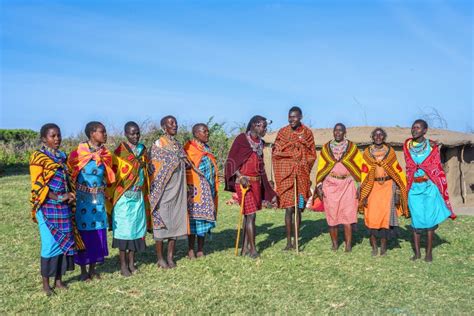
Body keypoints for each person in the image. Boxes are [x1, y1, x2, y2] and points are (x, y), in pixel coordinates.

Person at [29, 123, 84, 295]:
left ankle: (58, 280)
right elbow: (38, 186)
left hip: (63, 207)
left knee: (63, 244)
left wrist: (70, 194)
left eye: (58, 135)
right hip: (47, 207)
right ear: (44, 139)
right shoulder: (37, 158)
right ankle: (46, 284)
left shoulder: (62, 156)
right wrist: (60, 197)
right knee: (49, 245)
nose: (57, 139)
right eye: (53, 136)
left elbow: (67, 180)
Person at [68, 121, 115, 281]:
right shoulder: (77, 154)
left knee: (97, 233)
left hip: (99, 201)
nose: (105, 134)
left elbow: (109, 177)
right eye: (102, 131)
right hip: (82, 202)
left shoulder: (106, 154)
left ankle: (93, 269)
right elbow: (69, 176)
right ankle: (83, 270)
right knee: (84, 234)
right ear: (92, 134)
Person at [403, 119, 456, 262]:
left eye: (418, 128)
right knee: (416, 220)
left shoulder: (432, 147)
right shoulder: (407, 146)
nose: (414, 130)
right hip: (414, 188)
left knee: (430, 221)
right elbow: (409, 167)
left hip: (429, 187)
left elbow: (435, 166)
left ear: (425, 130)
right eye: (413, 127)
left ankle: (428, 252)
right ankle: (417, 253)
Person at [225, 115, 277, 258]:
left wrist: (265, 186)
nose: (265, 129)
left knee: (249, 217)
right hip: (243, 183)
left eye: (266, 127)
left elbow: (261, 166)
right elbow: (230, 161)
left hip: (255, 183)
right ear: (254, 125)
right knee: (251, 215)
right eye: (263, 126)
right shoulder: (241, 139)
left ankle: (244, 249)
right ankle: (253, 250)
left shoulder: (260, 143)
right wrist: (240, 176)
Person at [106, 121, 150, 276]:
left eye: (137, 133)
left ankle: (132, 263)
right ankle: (123, 265)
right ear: (125, 134)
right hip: (123, 197)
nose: (136, 136)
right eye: (132, 133)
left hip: (138, 195)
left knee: (136, 230)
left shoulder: (142, 150)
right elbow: (113, 175)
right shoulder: (119, 152)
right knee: (124, 231)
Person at [272, 106, 316, 251]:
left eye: (295, 117)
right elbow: (276, 151)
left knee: (298, 207)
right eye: (290, 117)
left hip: (301, 175)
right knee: (288, 209)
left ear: (301, 117)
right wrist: (291, 158)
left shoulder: (307, 133)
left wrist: (301, 159)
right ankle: (288, 242)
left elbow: (312, 154)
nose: (292, 119)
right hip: (286, 176)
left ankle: (296, 241)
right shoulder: (283, 132)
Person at [359, 128, 409, 256]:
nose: (378, 137)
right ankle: (374, 248)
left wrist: (398, 187)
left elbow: (396, 169)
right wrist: (363, 190)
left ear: (384, 137)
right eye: (376, 135)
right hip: (372, 187)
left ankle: (383, 249)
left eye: (381, 135)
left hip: (387, 186)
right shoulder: (367, 153)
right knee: (372, 217)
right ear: (372, 137)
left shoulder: (390, 152)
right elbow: (364, 172)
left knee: (385, 218)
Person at [148, 115, 188, 269]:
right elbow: (154, 164)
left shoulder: (178, 145)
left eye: (176, 122)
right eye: (171, 123)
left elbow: (184, 162)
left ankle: (170, 257)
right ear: (163, 127)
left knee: (175, 222)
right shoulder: (158, 144)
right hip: (163, 190)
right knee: (161, 223)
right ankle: (160, 258)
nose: (175, 125)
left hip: (178, 188)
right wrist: (174, 159)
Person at [314, 123, 362, 252]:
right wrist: (319, 184)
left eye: (340, 131)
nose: (338, 133)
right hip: (330, 185)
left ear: (345, 132)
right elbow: (321, 167)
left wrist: (360, 184)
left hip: (348, 184)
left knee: (348, 215)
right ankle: (335, 244)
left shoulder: (352, 147)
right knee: (332, 216)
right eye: (335, 131)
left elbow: (359, 166)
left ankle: (348, 245)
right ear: (333, 132)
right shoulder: (326, 148)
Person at [184, 123, 219, 258]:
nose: (207, 133)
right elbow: (185, 168)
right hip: (194, 192)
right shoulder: (188, 148)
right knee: (193, 221)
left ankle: (200, 249)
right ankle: (191, 250)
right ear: (196, 133)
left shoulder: (207, 149)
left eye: (207, 131)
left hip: (208, 190)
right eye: (204, 131)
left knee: (204, 221)